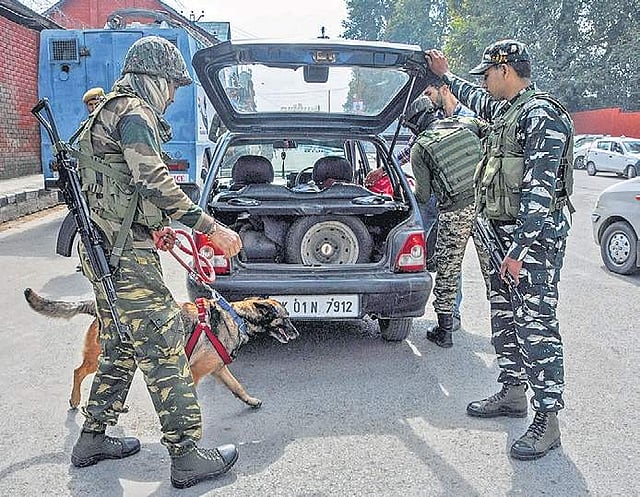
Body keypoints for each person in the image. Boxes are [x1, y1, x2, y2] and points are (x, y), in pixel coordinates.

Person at [69, 36, 243, 489]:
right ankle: (186, 456)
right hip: (123, 256)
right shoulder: (134, 113)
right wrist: (210, 227)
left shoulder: (107, 112)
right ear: (154, 78)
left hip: (105, 248)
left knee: (121, 342)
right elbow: (153, 179)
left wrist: (153, 228)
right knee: (163, 343)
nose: (171, 97)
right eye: (171, 86)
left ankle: (93, 437)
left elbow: (119, 187)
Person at [426, 40, 574, 460]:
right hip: (502, 239)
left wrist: (519, 251)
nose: (484, 82)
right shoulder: (507, 110)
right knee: (505, 317)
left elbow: (540, 193)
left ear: (505, 70)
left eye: (487, 74)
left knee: (536, 325)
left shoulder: (542, 115)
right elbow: (473, 98)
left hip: (531, 245)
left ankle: (548, 421)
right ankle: (512, 392)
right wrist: (444, 75)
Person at [405, 96, 491, 348]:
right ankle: (507, 329)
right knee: (494, 270)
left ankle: (445, 332)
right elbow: (494, 139)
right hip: (487, 207)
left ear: (416, 123)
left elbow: (423, 196)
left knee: (448, 271)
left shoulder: (421, 146)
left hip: (455, 212)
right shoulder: (468, 123)